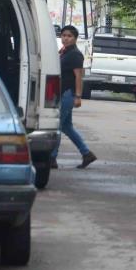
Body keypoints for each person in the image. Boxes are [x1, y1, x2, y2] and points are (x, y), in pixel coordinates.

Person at [51, 25, 97, 169]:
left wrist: (78, 96)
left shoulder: (75, 54)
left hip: (68, 94)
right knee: (67, 126)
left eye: (69, 36)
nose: (66, 38)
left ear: (75, 38)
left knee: (57, 126)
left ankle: (52, 158)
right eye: (64, 35)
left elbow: (78, 76)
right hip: (62, 92)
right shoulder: (64, 52)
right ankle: (86, 154)